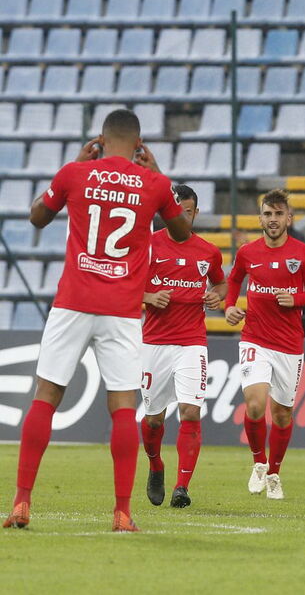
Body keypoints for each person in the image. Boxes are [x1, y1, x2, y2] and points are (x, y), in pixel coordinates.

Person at [4, 109, 191, 532]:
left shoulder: (75, 172)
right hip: (122, 310)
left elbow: (37, 217)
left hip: (72, 302)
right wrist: (159, 174)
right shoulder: (155, 183)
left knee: (46, 396)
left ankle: (21, 503)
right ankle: (122, 513)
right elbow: (181, 234)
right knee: (123, 408)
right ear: (139, 145)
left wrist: (76, 163)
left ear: (101, 140)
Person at [224, 190, 305, 501]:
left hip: (289, 344)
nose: (273, 220)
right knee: (254, 404)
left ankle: (275, 473)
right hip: (255, 338)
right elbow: (233, 280)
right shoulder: (247, 252)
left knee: (282, 414)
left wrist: (296, 299)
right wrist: (229, 306)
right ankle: (258, 463)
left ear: (289, 218)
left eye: (279, 214)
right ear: (261, 218)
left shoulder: (304, 253)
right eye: (268, 214)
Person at [139, 185, 226, 510]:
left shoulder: (208, 251)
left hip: (192, 342)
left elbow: (221, 282)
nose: (181, 217)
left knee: (190, 412)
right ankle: (155, 465)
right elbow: (123, 283)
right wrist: (147, 297)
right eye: (176, 211)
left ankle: (182, 486)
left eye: (187, 211)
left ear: (195, 213)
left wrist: (218, 296)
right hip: (155, 343)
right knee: (153, 420)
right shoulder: (148, 246)